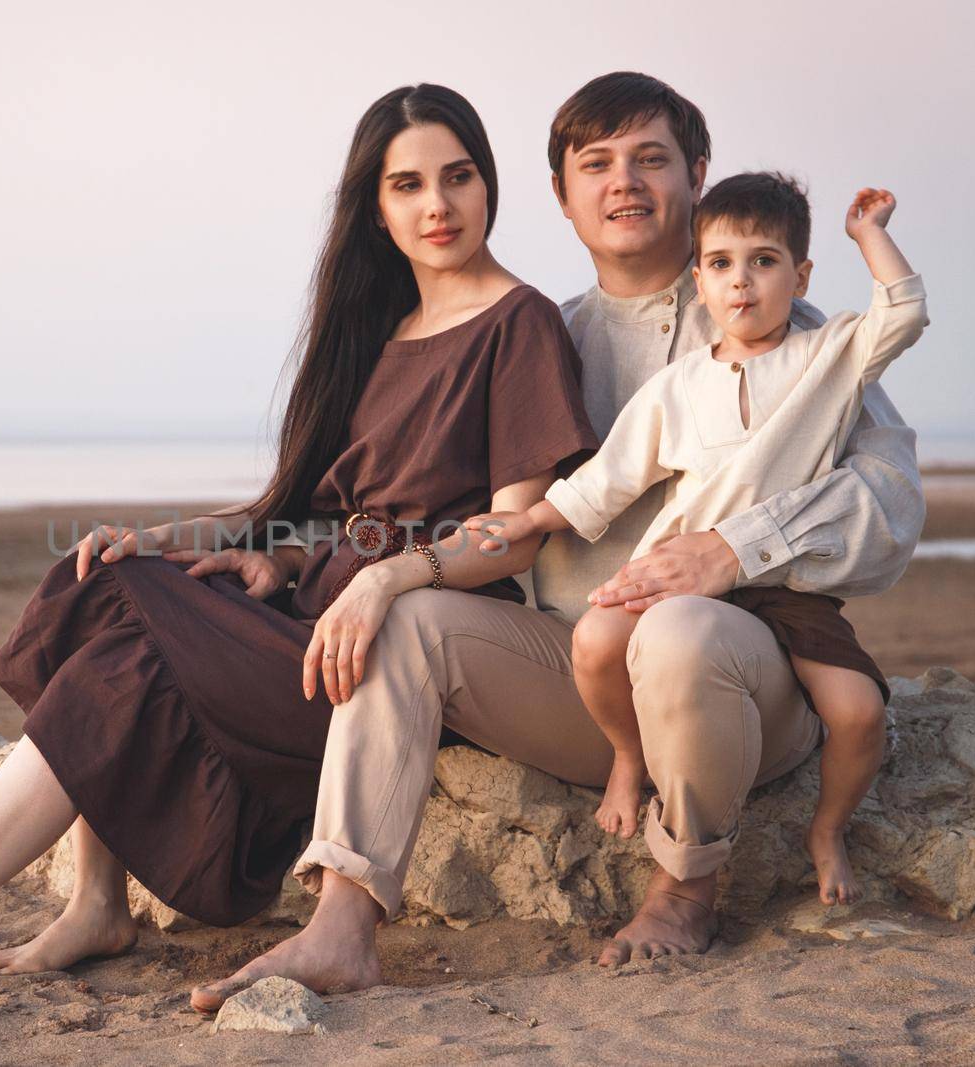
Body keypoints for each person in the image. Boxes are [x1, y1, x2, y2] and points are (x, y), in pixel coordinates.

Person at [0, 83, 596, 997]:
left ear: (490, 184)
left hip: (393, 644)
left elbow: (511, 535)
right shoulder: (375, 332)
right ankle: (89, 905)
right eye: (408, 185)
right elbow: (295, 509)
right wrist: (161, 537)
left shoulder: (521, 322)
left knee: (125, 646)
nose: (437, 205)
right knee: (109, 573)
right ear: (375, 210)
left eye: (457, 177)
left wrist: (384, 580)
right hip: (315, 603)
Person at [190, 71, 923, 1007]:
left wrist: (735, 550)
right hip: (583, 679)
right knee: (410, 619)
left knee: (679, 630)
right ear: (560, 195)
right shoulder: (541, 332)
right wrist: (362, 567)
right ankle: (340, 928)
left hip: (747, 682)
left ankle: (686, 886)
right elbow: (465, 510)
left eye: (652, 159)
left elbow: (892, 502)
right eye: (597, 164)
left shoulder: (791, 334)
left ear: (698, 176)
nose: (625, 183)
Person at [463, 172, 928, 905]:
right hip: (674, 579)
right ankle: (627, 756)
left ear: (799, 274)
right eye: (720, 263)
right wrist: (529, 519)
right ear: (698, 281)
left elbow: (902, 310)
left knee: (860, 713)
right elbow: (608, 478)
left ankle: (827, 829)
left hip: (785, 592)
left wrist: (870, 234)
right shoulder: (678, 387)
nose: (741, 282)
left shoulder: (831, 357)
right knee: (592, 643)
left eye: (764, 261)